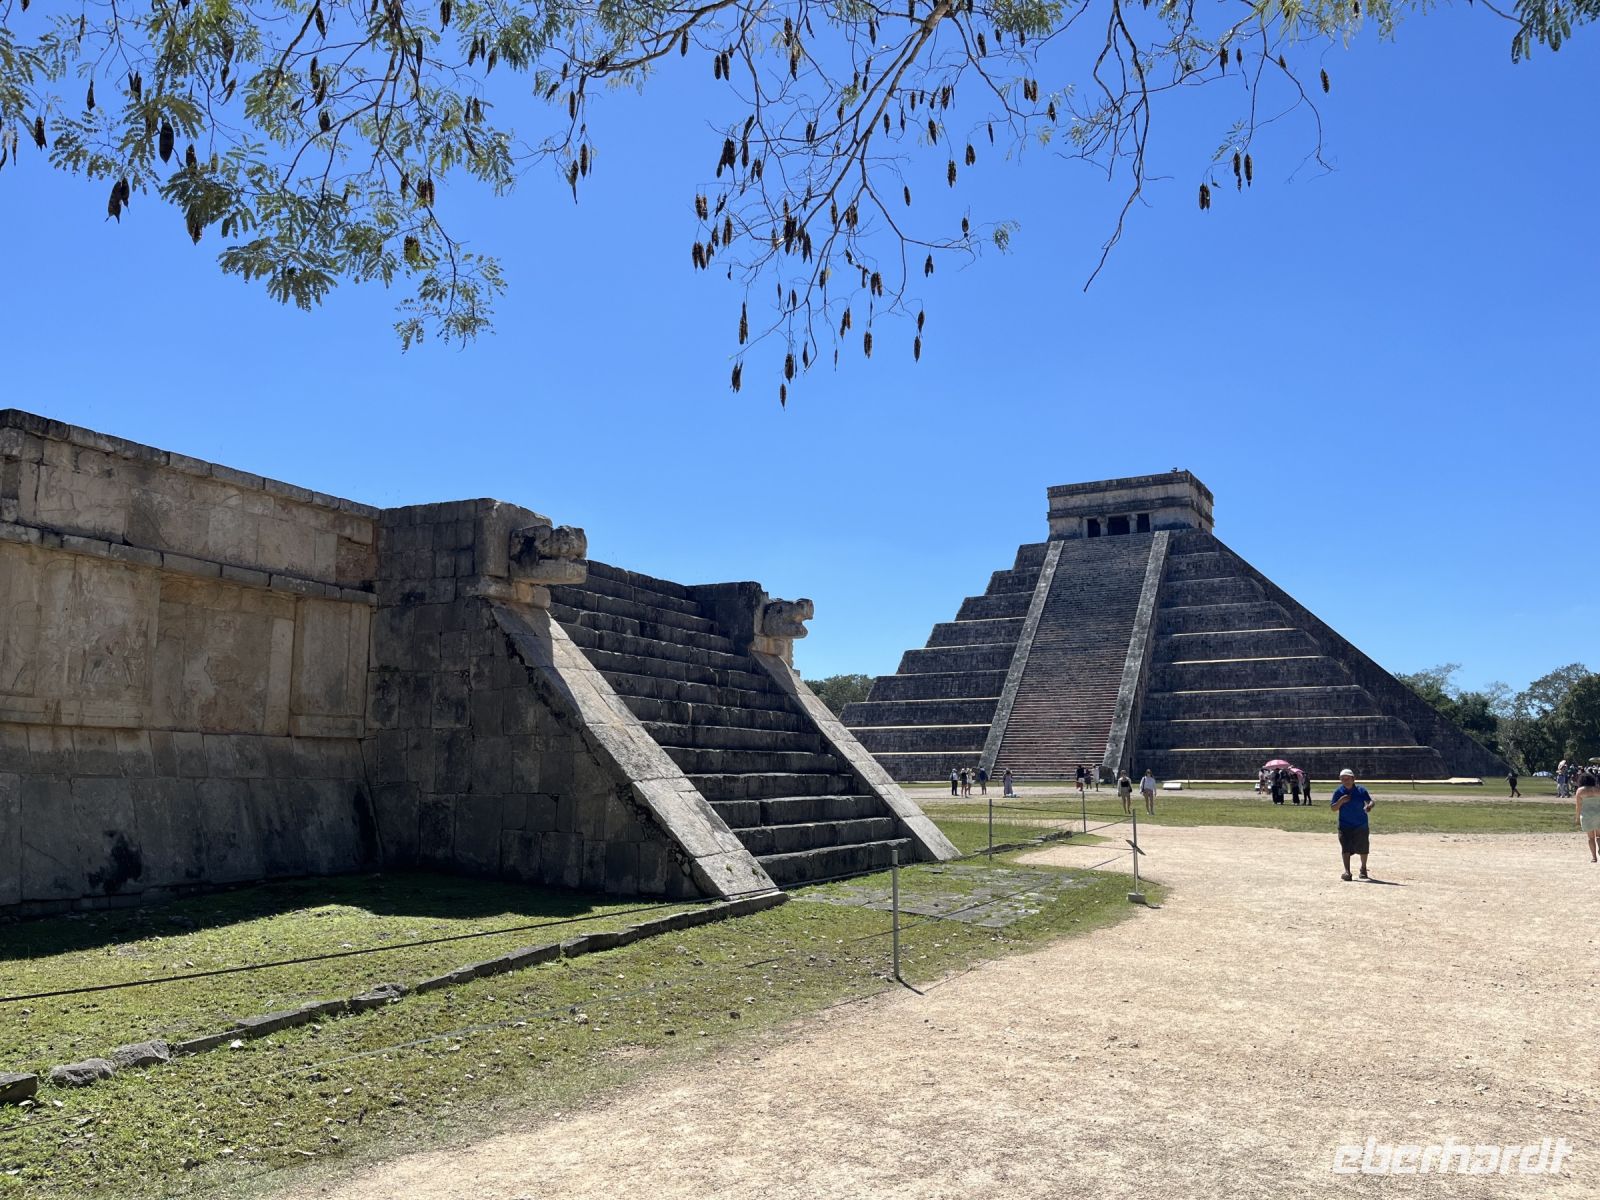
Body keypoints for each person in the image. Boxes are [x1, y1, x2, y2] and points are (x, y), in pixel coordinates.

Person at [1329, 767, 1374, 881]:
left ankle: (1363, 869)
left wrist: (1369, 806)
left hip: (1361, 824)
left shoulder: (1361, 790)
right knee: (1345, 848)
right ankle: (1347, 872)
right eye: (1343, 779)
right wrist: (1341, 801)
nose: (1346, 781)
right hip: (1345, 825)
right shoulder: (1338, 792)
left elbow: (1370, 801)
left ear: (1353, 779)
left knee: (1363, 847)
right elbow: (1333, 808)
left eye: (1348, 778)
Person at [1576, 772, 1600, 864]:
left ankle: (1594, 857)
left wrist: (1577, 817)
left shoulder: (1580, 791)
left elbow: (1578, 806)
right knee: (1599, 836)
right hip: (1598, 814)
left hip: (1586, 816)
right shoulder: (1598, 789)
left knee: (1591, 838)